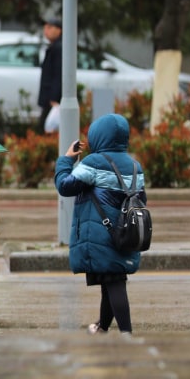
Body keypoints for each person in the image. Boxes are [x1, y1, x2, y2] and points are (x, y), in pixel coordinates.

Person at [54, 114, 146, 335]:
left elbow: (65, 186)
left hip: (101, 232)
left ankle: (127, 333)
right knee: (111, 277)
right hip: (126, 231)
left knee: (114, 282)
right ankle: (102, 325)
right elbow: (141, 199)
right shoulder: (135, 166)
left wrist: (66, 159)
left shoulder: (93, 162)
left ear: (98, 136)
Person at [37, 18, 63, 133]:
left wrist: (54, 97)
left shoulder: (59, 48)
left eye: (49, 27)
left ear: (59, 30)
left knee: (46, 128)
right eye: (45, 28)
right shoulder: (53, 47)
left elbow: (58, 73)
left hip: (53, 99)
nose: (45, 31)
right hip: (50, 97)